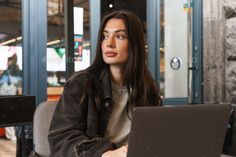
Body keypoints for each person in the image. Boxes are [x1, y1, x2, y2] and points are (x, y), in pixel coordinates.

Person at [48, 10, 162, 157]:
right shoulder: (81, 84)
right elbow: (62, 138)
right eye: (105, 36)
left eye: (120, 36)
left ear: (135, 44)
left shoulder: (147, 88)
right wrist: (105, 153)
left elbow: (155, 137)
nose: (109, 44)